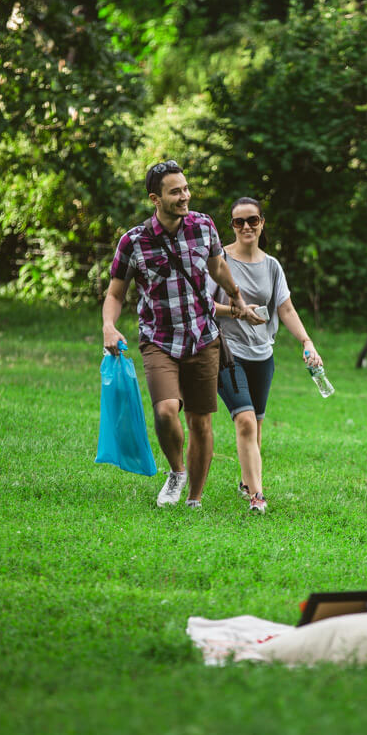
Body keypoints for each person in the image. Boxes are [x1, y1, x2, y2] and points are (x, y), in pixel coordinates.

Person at [102, 161, 252, 509]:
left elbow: (218, 266)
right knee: (167, 409)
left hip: (202, 336)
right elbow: (114, 293)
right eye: (175, 191)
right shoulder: (134, 241)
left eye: (186, 188)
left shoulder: (203, 226)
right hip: (159, 339)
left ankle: (194, 499)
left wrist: (236, 296)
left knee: (200, 421)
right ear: (156, 198)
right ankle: (176, 471)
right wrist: (109, 326)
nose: (185, 196)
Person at [208, 197, 324, 514]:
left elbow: (285, 308)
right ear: (231, 226)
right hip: (227, 352)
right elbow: (202, 304)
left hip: (263, 355)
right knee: (244, 421)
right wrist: (238, 312)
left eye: (252, 220)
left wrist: (306, 341)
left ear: (262, 223)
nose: (246, 226)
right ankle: (258, 495)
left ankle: (247, 483)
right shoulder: (219, 262)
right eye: (238, 221)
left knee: (256, 426)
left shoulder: (271, 265)